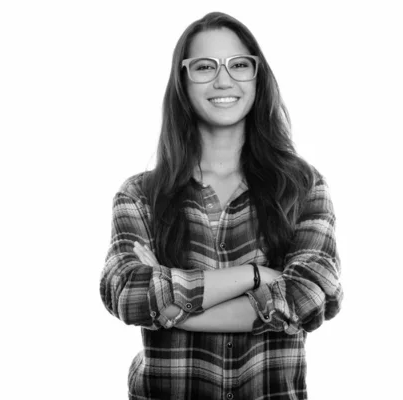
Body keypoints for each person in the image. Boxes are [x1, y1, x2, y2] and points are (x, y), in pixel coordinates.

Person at [99, 11, 343, 400]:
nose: (224, 79)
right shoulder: (140, 195)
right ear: (182, 81)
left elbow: (310, 297)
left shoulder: (302, 186)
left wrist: (171, 307)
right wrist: (258, 275)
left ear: (257, 77)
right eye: (204, 66)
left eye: (239, 64)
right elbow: (127, 293)